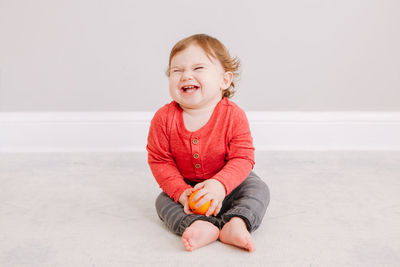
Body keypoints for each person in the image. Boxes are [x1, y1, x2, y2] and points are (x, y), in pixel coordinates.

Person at [146, 33, 270, 252]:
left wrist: (220, 185)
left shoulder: (233, 116)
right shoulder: (163, 119)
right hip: (187, 189)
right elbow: (160, 161)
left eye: (198, 68)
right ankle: (200, 224)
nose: (186, 76)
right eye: (177, 71)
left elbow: (242, 158)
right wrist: (180, 192)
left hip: (229, 185)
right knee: (162, 202)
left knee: (257, 188)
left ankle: (237, 222)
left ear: (224, 80)